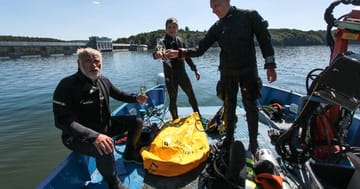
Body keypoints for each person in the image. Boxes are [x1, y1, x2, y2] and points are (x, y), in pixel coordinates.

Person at [163, 0, 277, 155]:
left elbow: (265, 39)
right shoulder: (217, 27)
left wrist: (270, 65)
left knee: (250, 106)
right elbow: (200, 49)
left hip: (248, 71)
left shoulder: (249, 16)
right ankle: (229, 138)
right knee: (228, 106)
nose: (213, 10)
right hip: (227, 73)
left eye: (216, 6)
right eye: (211, 7)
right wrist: (180, 53)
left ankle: (253, 142)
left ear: (227, 1)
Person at [52, 47, 147, 189]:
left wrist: (136, 98)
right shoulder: (67, 85)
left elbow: (119, 94)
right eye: (88, 61)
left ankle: (129, 152)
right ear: (79, 64)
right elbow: (61, 121)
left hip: (104, 127)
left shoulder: (103, 81)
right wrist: (94, 136)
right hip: (77, 137)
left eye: (97, 61)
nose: (93, 65)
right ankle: (113, 182)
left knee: (137, 122)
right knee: (106, 146)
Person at [153, 17, 202, 121]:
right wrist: (157, 54)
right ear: (166, 29)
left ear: (177, 28)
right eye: (169, 27)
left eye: (174, 27)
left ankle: (198, 117)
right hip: (170, 76)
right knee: (173, 99)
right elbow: (156, 53)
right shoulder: (161, 42)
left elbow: (187, 56)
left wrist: (195, 69)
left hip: (182, 74)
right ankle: (175, 120)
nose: (172, 29)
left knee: (191, 95)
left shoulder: (180, 40)